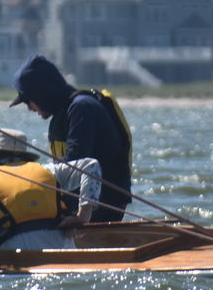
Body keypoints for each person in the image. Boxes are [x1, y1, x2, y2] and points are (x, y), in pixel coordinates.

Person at [9, 54, 131, 221]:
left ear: (41, 93)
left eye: (27, 100)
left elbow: (74, 165)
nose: (29, 108)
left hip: (99, 209)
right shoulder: (65, 111)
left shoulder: (81, 109)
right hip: (76, 205)